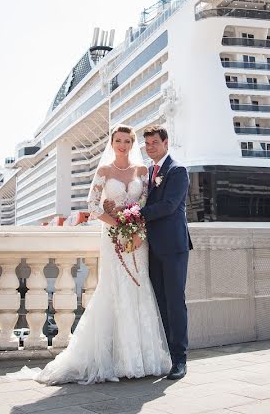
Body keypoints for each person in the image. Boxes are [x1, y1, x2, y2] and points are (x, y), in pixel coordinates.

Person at [26, 124, 172, 385]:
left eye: (128, 141)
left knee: (139, 288)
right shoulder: (103, 171)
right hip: (113, 236)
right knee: (114, 288)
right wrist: (120, 226)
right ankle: (116, 358)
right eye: (119, 140)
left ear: (132, 143)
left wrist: (136, 229)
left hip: (138, 240)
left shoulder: (142, 171)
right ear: (112, 143)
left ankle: (141, 358)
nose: (123, 145)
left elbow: (145, 205)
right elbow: (92, 206)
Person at [131, 125, 193, 380]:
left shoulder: (177, 170)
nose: (150, 147)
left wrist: (135, 214)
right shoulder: (147, 173)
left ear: (166, 143)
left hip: (174, 247)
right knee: (161, 303)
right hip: (152, 248)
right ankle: (167, 355)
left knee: (175, 303)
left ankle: (180, 360)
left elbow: (169, 206)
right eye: (147, 144)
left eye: (154, 142)